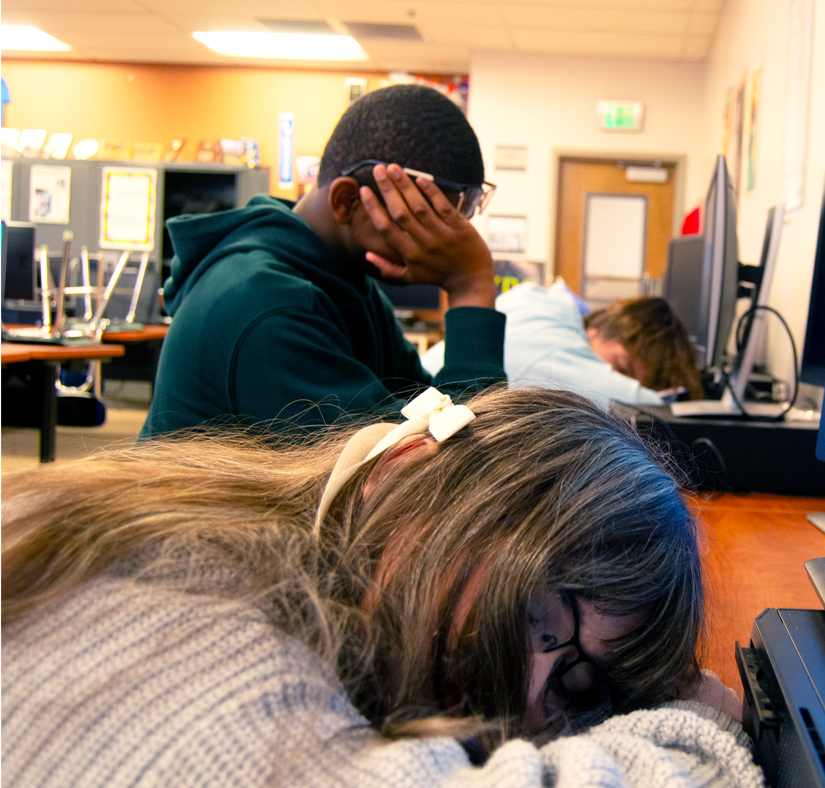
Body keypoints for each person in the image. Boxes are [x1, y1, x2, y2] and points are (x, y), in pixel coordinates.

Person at [3, 388, 756, 788]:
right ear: (406, 473)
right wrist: (693, 733)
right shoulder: (194, 604)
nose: (529, 696)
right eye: (539, 619)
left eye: (576, 680)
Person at [140, 84, 505, 439]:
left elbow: (432, 415)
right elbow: (434, 477)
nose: (446, 242)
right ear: (346, 200)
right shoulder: (264, 303)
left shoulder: (349, 284)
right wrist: (470, 286)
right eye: (425, 220)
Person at [422, 279, 704, 406]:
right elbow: (652, 411)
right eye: (621, 367)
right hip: (409, 425)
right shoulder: (556, 344)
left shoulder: (542, 301)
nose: (616, 380)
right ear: (595, 331)